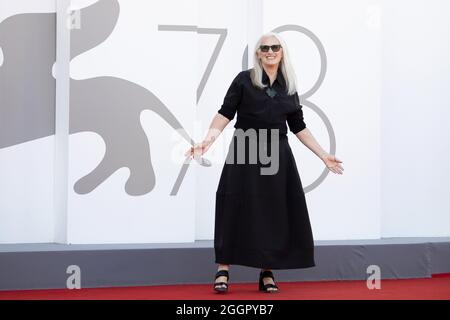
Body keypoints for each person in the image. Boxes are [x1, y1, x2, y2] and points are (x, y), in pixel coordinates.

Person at [185, 32, 344, 293]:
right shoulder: (244, 80)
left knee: (272, 210)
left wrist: (323, 154)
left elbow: (298, 126)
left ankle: (266, 272)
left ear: (282, 52)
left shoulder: (288, 86)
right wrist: (207, 141)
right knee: (233, 203)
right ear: (258, 53)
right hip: (246, 147)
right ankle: (223, 269)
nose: (270, 51)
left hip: (277, 153)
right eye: (264, 48)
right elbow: (225, 113)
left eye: (275, 47)